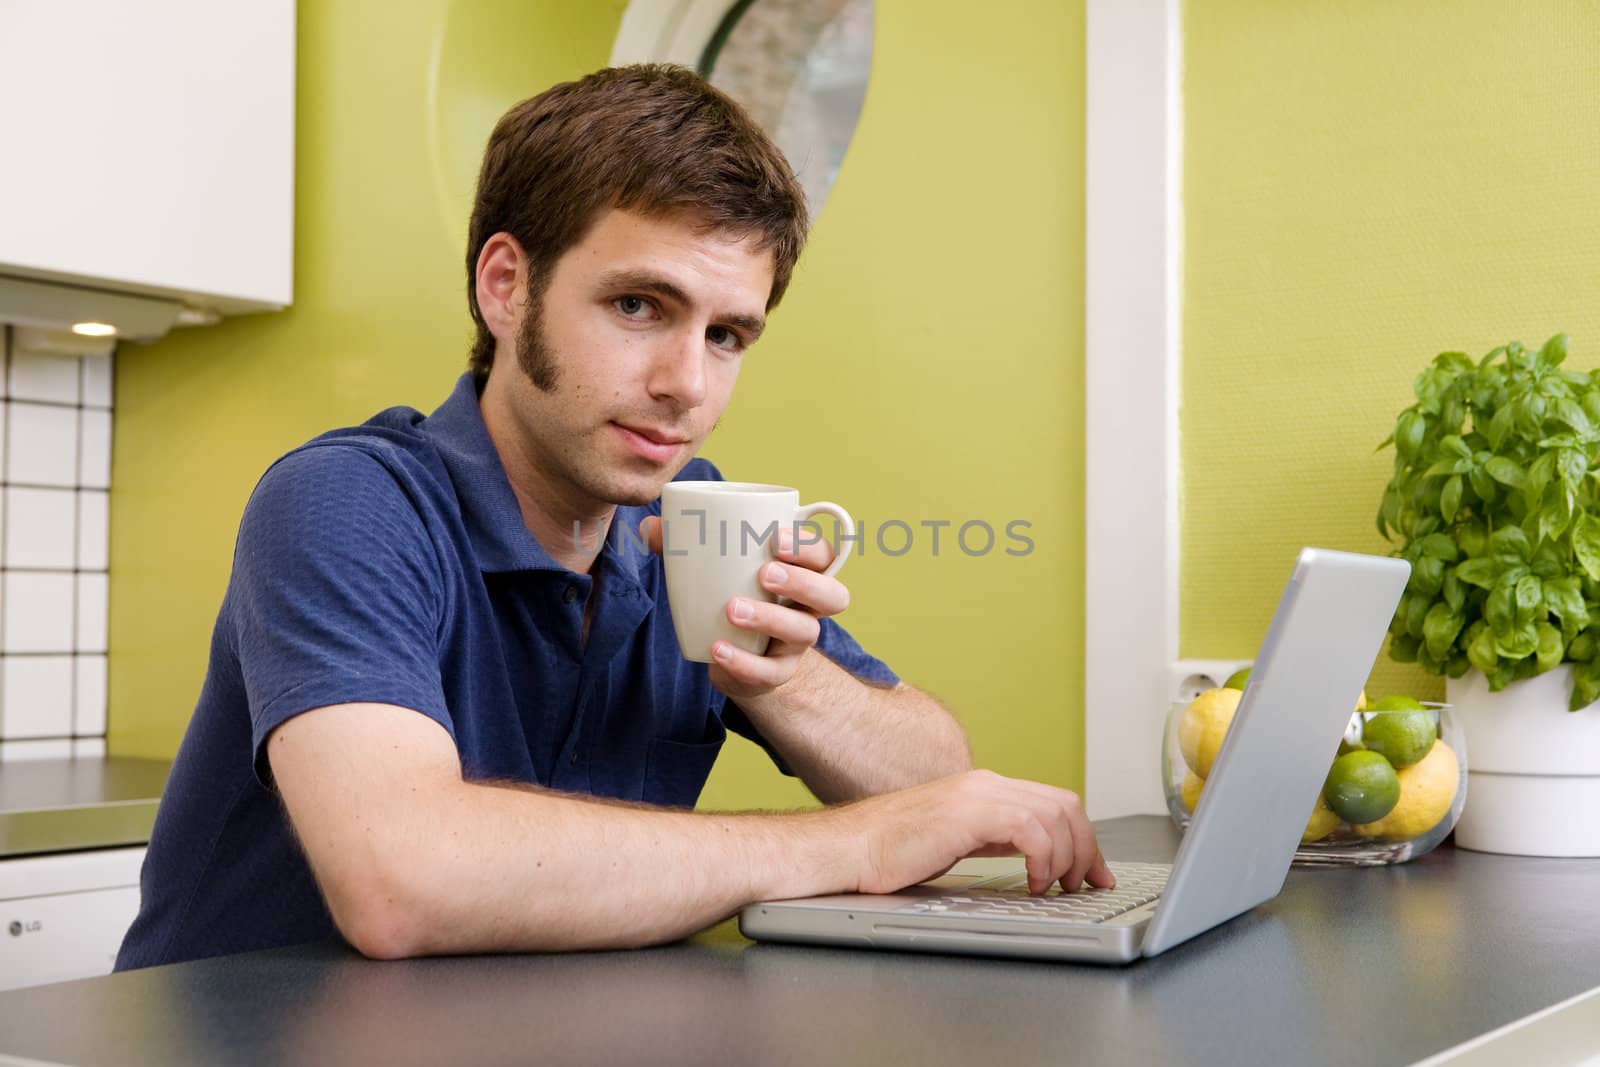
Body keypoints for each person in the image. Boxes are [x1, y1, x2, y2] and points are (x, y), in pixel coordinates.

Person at [115, 64, 1112, 970]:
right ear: (505, 284)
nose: (686, 384)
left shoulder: (693, 523)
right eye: (639, 305)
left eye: (727, 335)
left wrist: (785, 675)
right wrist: (853, 842)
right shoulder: (350, 500)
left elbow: (936, 782)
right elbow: (400, 878)